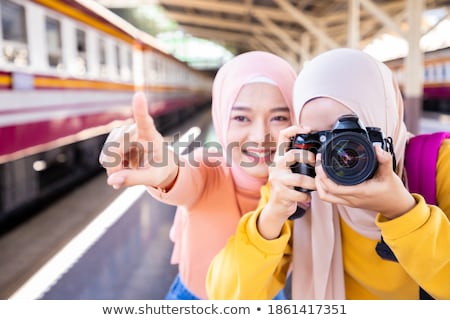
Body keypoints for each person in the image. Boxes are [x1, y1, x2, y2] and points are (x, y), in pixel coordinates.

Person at [206, 48, 450, 300]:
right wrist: (272, 215)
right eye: (318, 138)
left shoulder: (439, 166)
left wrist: (402, 211)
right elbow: (226, 297)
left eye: (351, 135)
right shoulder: (297, 183)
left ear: (385, 119)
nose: (339, 155)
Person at [99, 51, 298, 299]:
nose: (260, 136)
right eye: (241, 117)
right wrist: (164, 170)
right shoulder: (209, 166)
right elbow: (181, 176)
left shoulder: (302, 177)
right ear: (221, 118)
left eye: (279, 117)